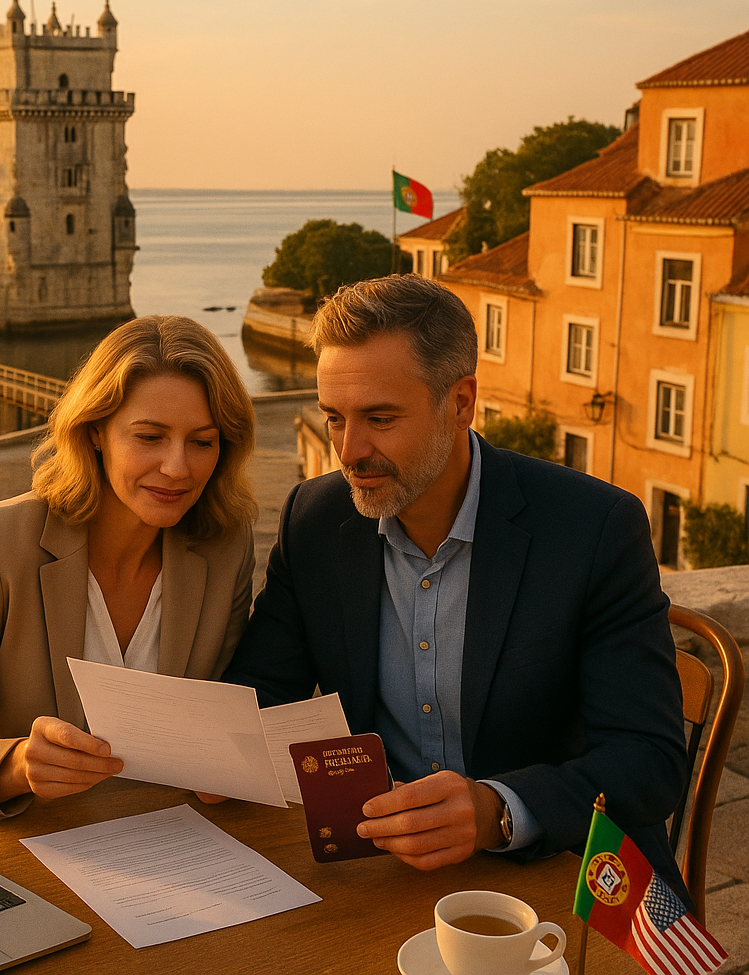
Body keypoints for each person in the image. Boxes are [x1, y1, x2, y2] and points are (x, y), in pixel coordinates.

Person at [224, 274, 688, 893]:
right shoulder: (316, 517)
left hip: (556, 867)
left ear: (462, 402)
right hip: (385, 872)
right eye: (334, 417)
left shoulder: (594, 527)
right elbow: (260, 694)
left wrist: (498, 811)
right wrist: (202, 751)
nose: (349, 450)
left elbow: (649, 762)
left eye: (380, 418)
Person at [0, 315, 258, 821]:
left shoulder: (225, 546)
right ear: (96, 430)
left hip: (179, 844)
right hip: (36, 843)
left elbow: (222, 717)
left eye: (202, 442)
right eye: (149, 437)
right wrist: (15, 766)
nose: (178, 468)